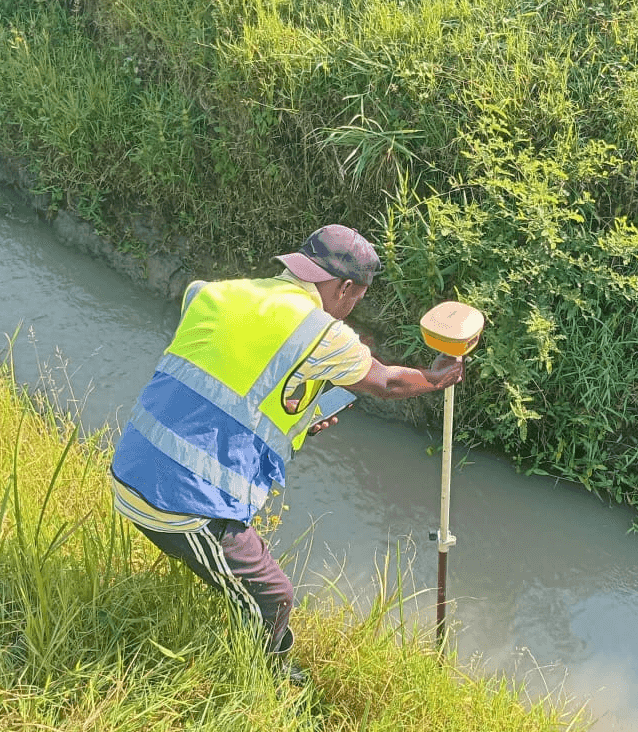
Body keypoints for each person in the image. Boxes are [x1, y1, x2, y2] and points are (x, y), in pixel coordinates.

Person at [110, 224, 463, 680]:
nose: (353, 307)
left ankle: (246, 653)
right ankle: (263, 682)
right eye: (358, 297)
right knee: (273, 595)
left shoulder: (215, 293)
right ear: (347, 287)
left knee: (246, 582)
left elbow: (225, 379)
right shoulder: (322, 333)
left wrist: (295, 418)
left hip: (131, 467)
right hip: (177, 501)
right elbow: (387, 381)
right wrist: (435, 380)